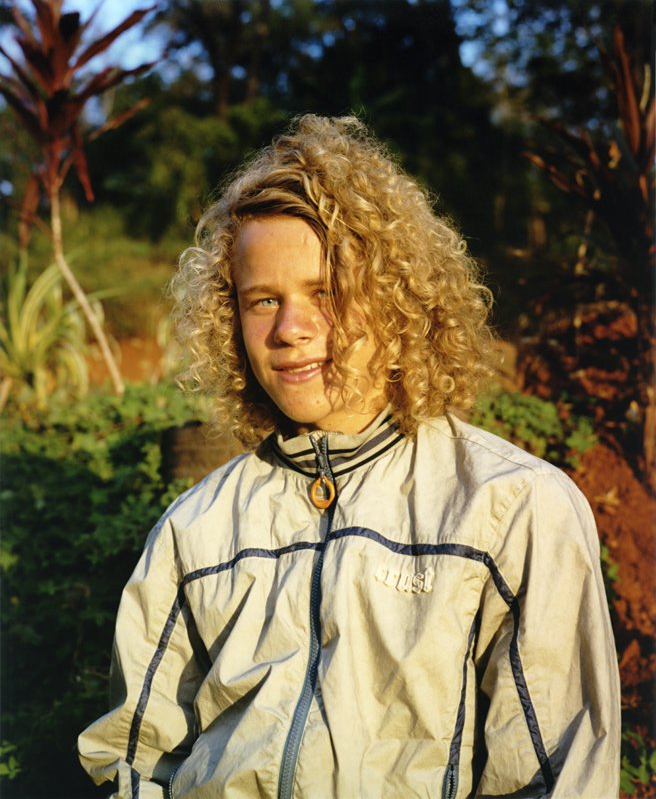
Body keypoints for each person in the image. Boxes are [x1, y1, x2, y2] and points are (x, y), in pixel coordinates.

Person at [78, 115, 620, 798]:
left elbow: (557, 777)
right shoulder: (194, 530)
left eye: (326, 292)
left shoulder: (514, 509)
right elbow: (131, 761)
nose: (289, 330)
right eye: (262, 300)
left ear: (398, 298)